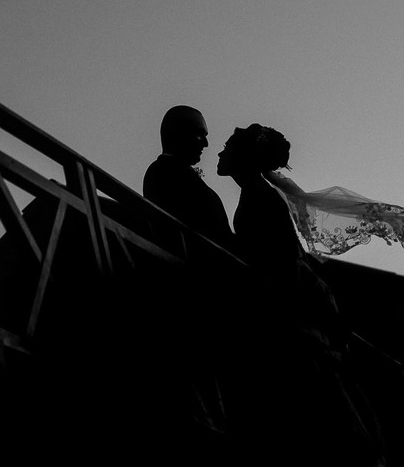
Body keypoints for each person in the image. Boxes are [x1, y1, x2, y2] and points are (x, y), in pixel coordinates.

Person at [216, 124, 384, 466]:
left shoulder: (258, 196)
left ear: (244, 158)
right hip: (300, 297)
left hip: (293, 306)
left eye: (227, 147)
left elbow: (275, 260)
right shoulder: (259, 193)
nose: (220, 153)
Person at [142, 105, 235, 250]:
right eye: (200, 134)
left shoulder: (173, 172)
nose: (206, 143)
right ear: (178, 132)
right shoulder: (167, 174)